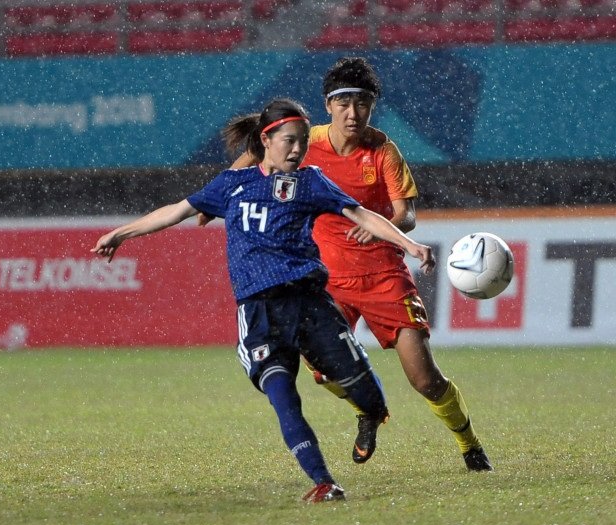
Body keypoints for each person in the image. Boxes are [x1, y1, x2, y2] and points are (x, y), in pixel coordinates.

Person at [92, 98, 436, 502]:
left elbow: (361, 214)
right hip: (258, 313)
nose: (297, 149)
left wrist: (407, 243)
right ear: (266, 140)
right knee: (282, 395)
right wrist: (121, 233)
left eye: (303, 142)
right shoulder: (230, 184)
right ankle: (324, 482)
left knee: (367, 394)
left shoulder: (310, 181)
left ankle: (371, 413)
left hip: (309, 305)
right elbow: (176, 211)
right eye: (290, 141)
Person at [214, 58, 492, 471]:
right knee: (323, 373)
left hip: (383, 276)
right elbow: (248, 170)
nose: (353, 112)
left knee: (424, 379)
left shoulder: (383, 151)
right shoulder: (304, 142)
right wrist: (215, 198)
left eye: (362, 102)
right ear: (328, 106)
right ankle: (366, 408)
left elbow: (407, 213)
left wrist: (386, 227)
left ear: (372, 105)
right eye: (343, 102)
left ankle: (469, 443)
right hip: (325, 283)